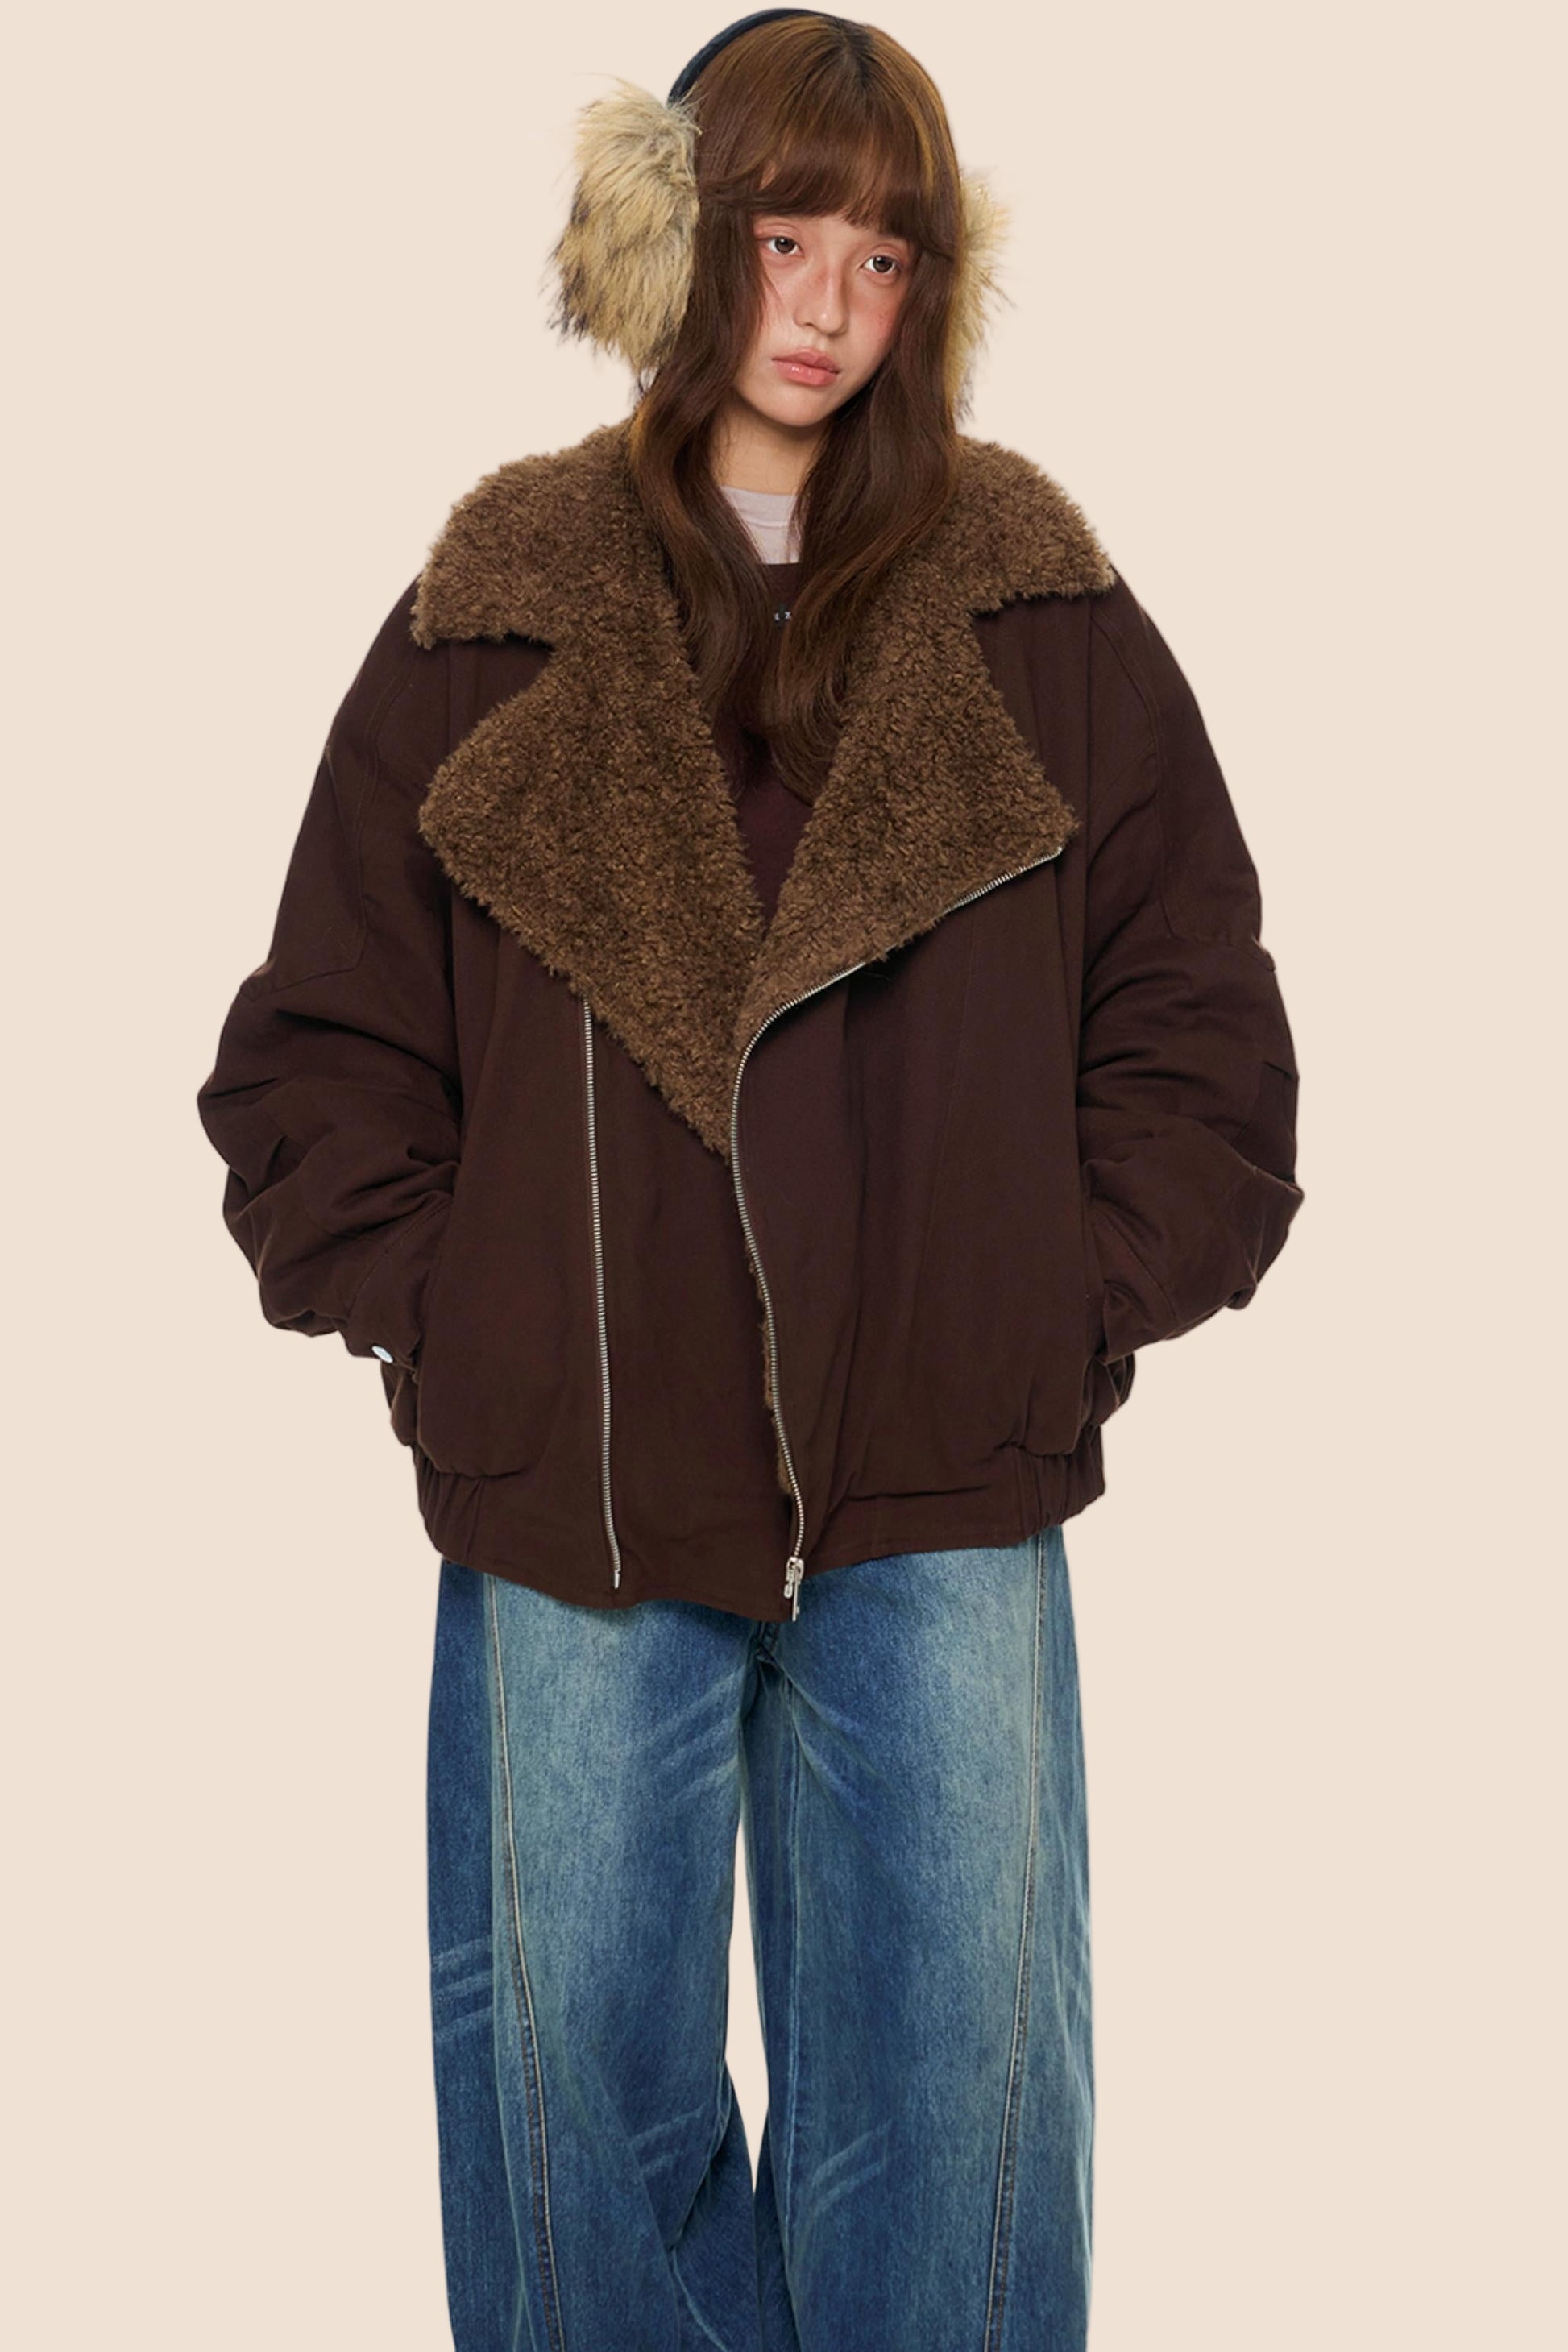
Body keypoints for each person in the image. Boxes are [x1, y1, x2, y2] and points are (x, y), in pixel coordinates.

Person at [195, 11, 1304, 2346]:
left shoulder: (1039, 617)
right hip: (579, 1474)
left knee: (961, 2119)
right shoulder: (495, 609)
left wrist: (1042, 1300)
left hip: (943, 1470)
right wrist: (475, 1321)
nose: (826, 307)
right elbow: (316, 1057)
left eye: (882, 258)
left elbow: (1201, 1036)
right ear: (676, 242)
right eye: (785, 239)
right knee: (573, 2128)